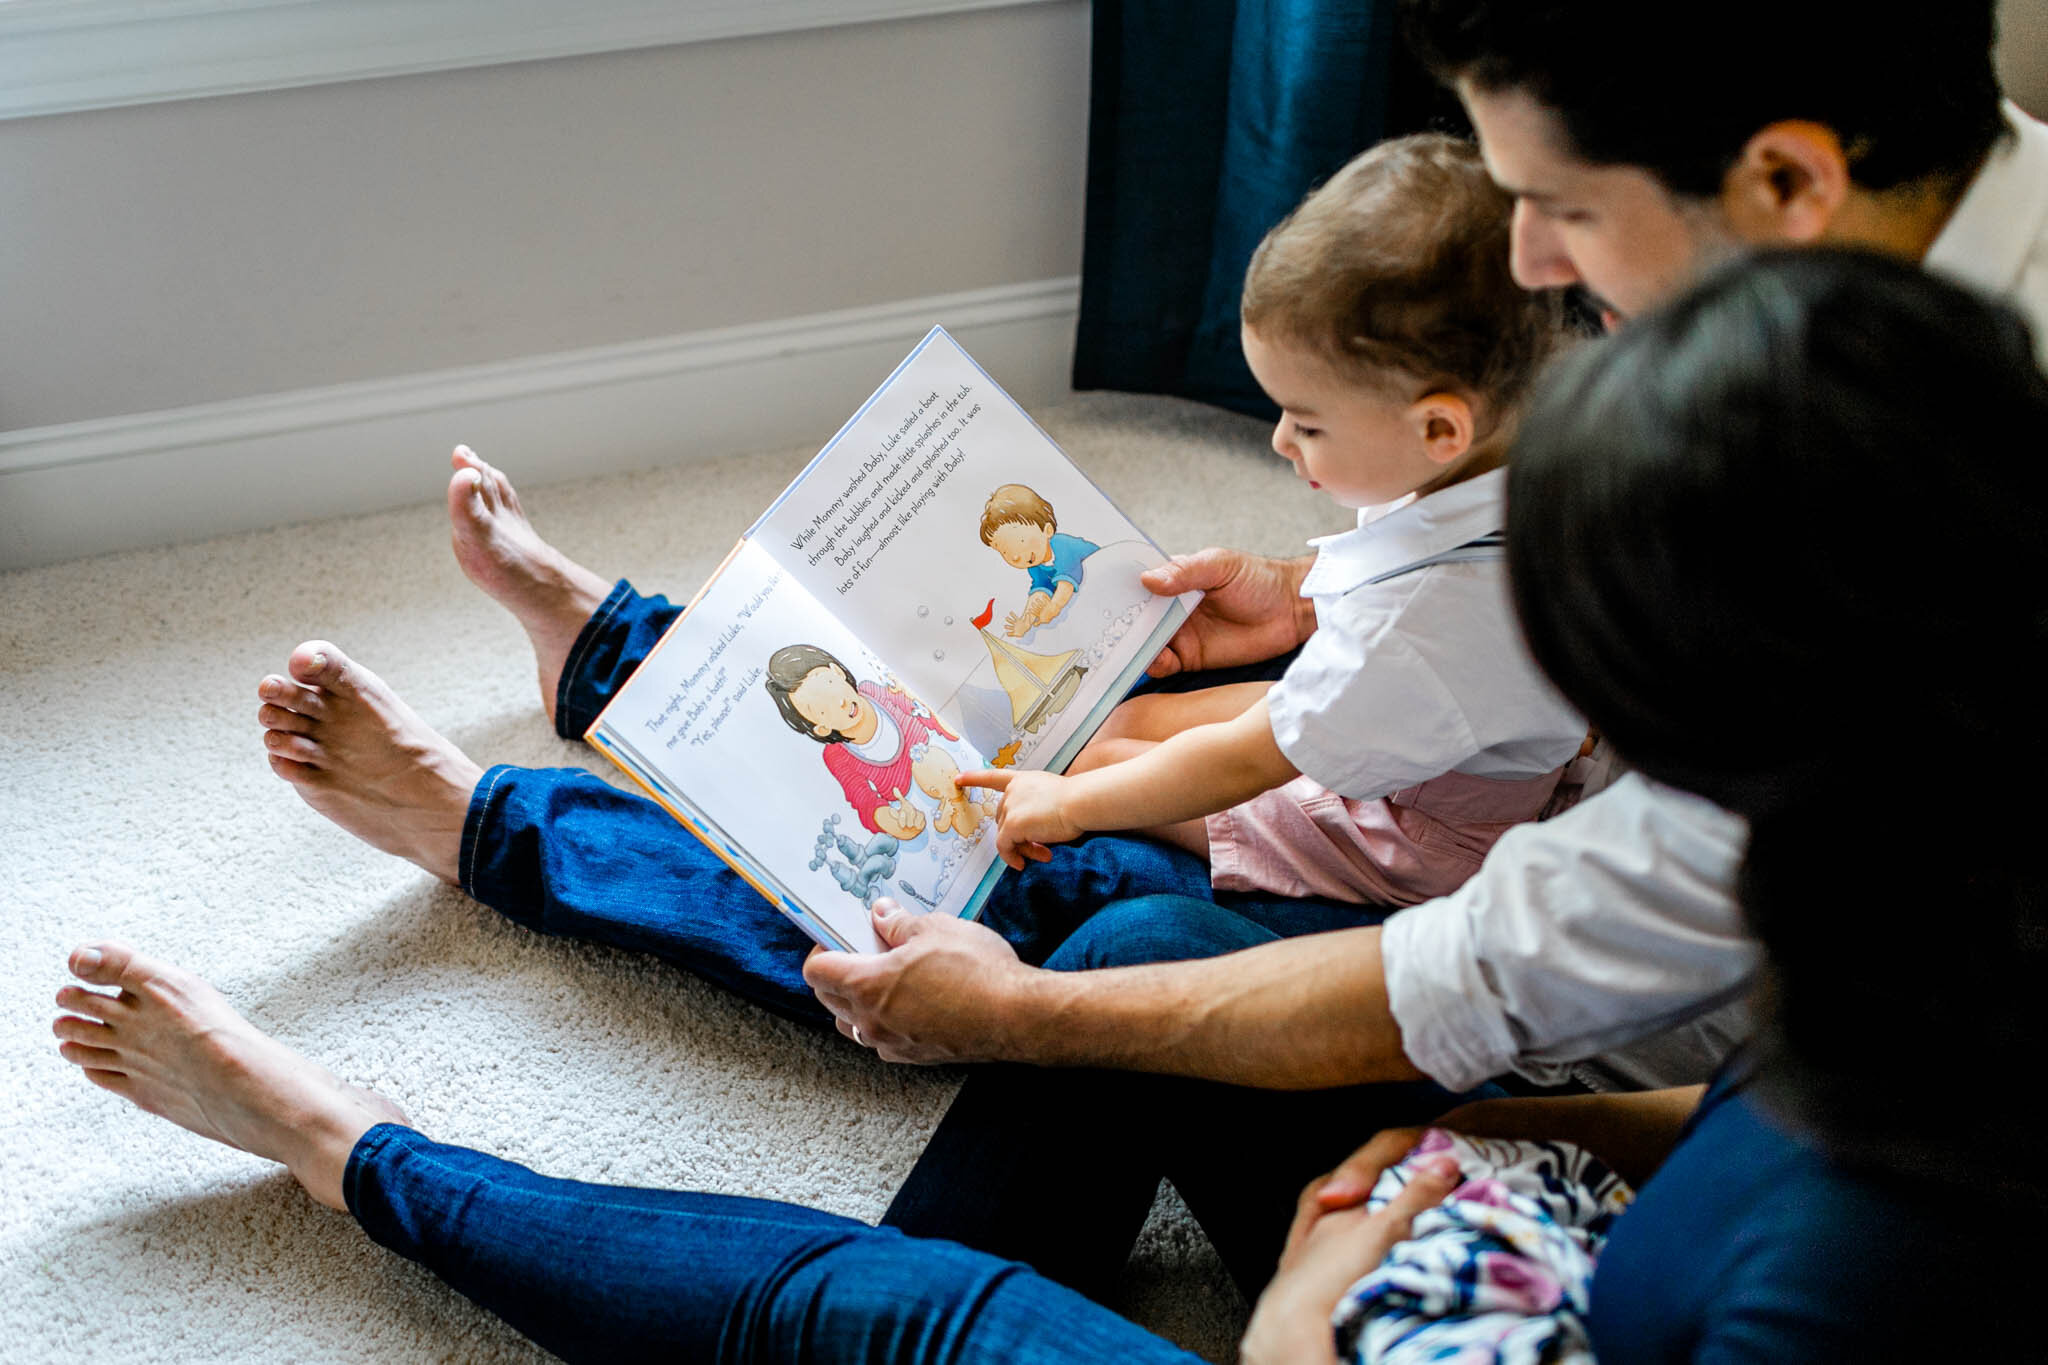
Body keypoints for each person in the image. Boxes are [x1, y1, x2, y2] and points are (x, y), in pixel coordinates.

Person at [72, 251, 2040, 1361]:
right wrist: (1504, 1131)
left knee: (886, 1295)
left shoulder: (1856, 1279)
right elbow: (1728, 1115)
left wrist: (1313, 1300)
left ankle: (338, 1147)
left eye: (1594, 656)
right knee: (1091, 924)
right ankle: (537, 804)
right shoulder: (1917, 871)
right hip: (1535, 1206)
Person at [970, 133, 1585, 911]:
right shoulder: (1526, 447)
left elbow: (1245, 761)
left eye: (1309, 423)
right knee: (1126, 718)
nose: (1278, 442)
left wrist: (1066, 807)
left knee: (1095, 774)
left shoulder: (1424, 623)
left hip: (1414, 831)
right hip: (1416, 724)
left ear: (1438, 430)